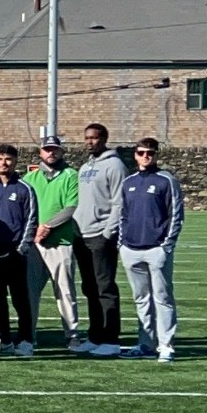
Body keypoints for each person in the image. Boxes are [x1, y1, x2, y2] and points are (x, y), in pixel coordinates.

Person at [119, 138, 183, 363]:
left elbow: (176, 214)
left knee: (163, 298)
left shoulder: (167, 180)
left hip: (157, 248)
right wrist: (122, 243)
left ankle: (166, 345)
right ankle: (145, 343)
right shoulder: (128, 182)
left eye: (150, 153)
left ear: (156, 155)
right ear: (135, 154)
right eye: (141, 152)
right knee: (141, 298)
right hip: (131, 249)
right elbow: (123, 214)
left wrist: (166, 245)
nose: (145, 156)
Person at [25, 135, 84, 352]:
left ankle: (72, 335)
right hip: (35, 245)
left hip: (61, 243)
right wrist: (34, 231)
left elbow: (70, 207)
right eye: (47, 149)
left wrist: (47, 226)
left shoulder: (71, 175)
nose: (51, 153)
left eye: (55, 149)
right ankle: (28, 335)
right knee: (30, 293)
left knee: (65, 292)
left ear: (61, 152)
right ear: (40, 152)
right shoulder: (30, 178)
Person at [74, 123, 127, 357]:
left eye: (94, 138)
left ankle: (111, 338)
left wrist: (107, 233)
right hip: (82, 235)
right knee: (90, 288)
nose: (90, 142)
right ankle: (95, 335)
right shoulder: (85, 166)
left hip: (100, 235)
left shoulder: (115, 165)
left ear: (104, 138)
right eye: (87, 138)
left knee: (105, 287)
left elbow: (119, 202)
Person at [0, 145, 38, 357]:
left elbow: (31, 220)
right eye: (0, 159)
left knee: (20, 299)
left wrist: (21, 249)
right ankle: (4, 339)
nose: (4, 163)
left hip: (15, 254)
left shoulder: (25, 189)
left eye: (8, 159)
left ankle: (25, 340)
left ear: (15, 161)